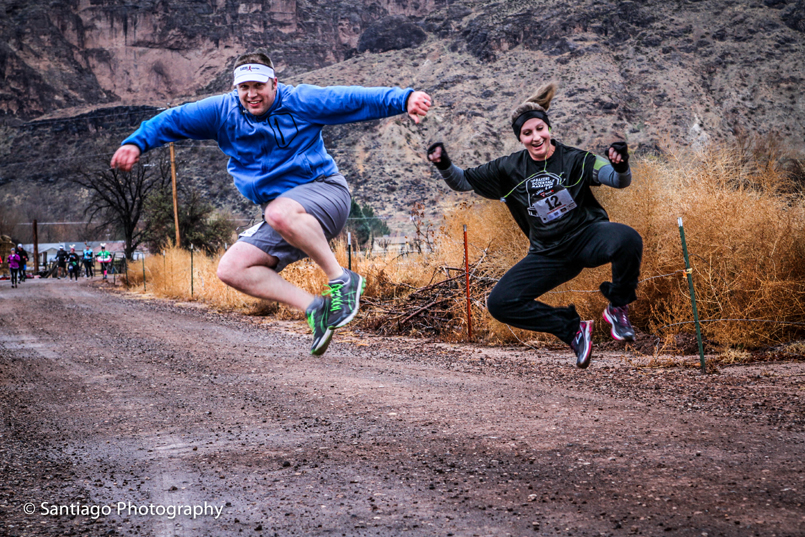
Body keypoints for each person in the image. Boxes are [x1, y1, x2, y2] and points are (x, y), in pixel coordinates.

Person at [111, 51, 432, 355]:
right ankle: (316, 308)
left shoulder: (300, 101)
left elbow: (352, 99)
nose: (251, 94)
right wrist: (136, 143)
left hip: (325, 192)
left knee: (278, 212)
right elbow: (173, 119)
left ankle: (341, 280)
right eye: (244, 88)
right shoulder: (222, 112)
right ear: (235, 88)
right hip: (285, 214)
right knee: (232, 268)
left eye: (259, 86)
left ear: (274, 83)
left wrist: (403, 99)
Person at [426, 83, 643, 369]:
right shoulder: (508, 169)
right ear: (520, 138)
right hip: (548, 254)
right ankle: (573, 331)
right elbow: (462, 181)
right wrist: (443, 163)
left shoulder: (576, 159)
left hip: (586, 237)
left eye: (540, 129)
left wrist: (621, 165)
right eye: (527, 133)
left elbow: (617, 180)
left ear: (548, 128)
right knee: (500, 303)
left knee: (628, 239)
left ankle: (617, 308)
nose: (536, 137)